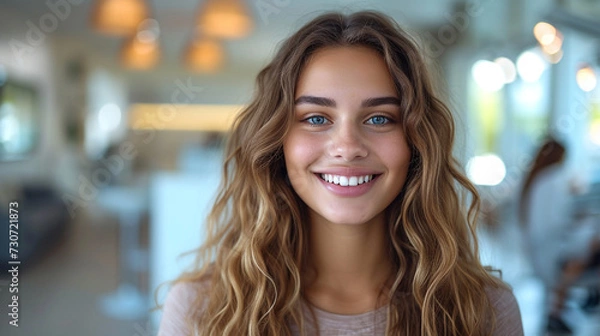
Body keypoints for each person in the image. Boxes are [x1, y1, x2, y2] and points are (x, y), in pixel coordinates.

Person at [158, 11, 523, 335]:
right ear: (277, 141)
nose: (347, 146)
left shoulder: (484, 311)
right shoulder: (200, 310)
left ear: (416, 142)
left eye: (379, 118)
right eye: (316, 119)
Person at [519, 138, 600, 334]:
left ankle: (561, 309)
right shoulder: (554, 178)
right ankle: (572, 305)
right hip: (552, 249)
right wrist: (579, 219)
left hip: (539, 250)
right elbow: (558, 221)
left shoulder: (533, 179)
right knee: (593, 239)